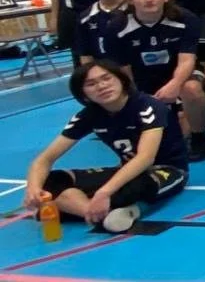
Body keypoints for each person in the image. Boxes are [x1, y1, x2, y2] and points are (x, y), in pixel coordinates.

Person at [24, 63, 188, 233]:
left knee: (137, 186)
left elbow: (145, 158)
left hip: (165, 172)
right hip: (124, 171)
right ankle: (98, 213)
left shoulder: (148, 106)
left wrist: (103, 192)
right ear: (83, 93)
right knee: (52, 180)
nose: (102, 86)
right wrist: (33, 190)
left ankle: (72, 206)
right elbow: (44, 159)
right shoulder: (88, 115)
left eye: (106, 78)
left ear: (121, 80)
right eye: (91, 84)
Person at [102, 0, 205, 161]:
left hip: (179, 73)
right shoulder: (117, 27)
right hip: (140, 78)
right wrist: (136, 97)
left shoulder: (185, 19)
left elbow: (187, 60)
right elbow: (122, 71)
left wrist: (175, 84)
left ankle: (200, 138)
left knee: (191, 89)